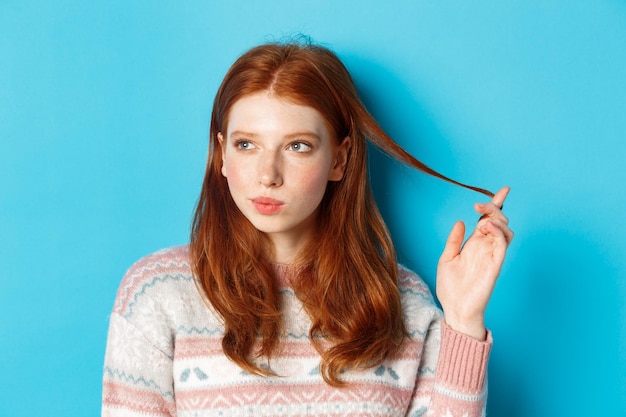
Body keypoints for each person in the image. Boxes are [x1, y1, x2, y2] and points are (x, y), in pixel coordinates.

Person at [102, 40, 513, 417]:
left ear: (339, 159)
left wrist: (462, 320)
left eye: (297, 146)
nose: (268, 175)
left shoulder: (402, 301)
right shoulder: (157, 293)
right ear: (221, 154)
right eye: (246, 145)